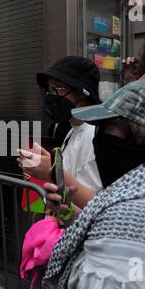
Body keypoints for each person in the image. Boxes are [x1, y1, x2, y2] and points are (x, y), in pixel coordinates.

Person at [43, 79, 145, 289]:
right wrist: (72, 214)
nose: (98, 139)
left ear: (141, 137)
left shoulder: (134, 229)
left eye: (106, 128)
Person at [17, 56, 103, 209]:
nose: (51, 95)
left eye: (57, 87)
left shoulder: (96, 134)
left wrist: (52, 171)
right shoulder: (72, 131)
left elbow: (99, 204)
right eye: (49, 89)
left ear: (81, 93)